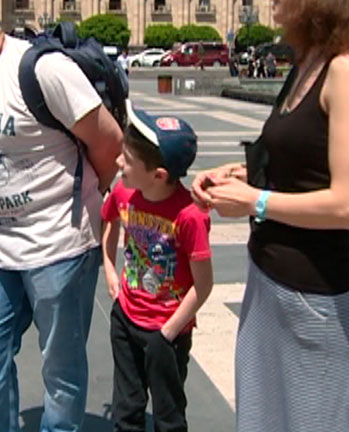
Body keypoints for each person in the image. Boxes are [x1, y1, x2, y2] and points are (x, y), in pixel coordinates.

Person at [190, 0, 349, 431]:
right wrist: (238, 175)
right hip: (268, 282)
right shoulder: (312, 58)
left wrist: (255, 200)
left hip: (316, 300)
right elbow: (302, 163)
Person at [0, 0, 124, 430]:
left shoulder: (42, 70)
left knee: (61, 369)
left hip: (60, 246)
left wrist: (88, 205)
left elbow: (109, 142)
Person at [102, 102, 213, 432]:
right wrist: (110, 270)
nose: (119, 164)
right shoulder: (125, 192)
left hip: (166, 331)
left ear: (159, 175)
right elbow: (108, 222)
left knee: (169, 417)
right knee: (126, 410)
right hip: (125, 318)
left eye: (128, 160)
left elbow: (203, 285)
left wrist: (168, 332)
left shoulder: (189, 215)